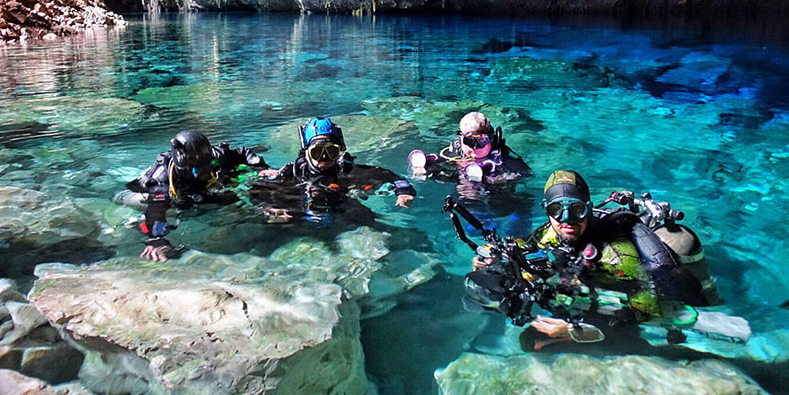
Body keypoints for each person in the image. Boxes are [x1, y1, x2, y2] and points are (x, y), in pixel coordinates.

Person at [468, 169, 712, 348]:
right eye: (556, 210)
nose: (567, 220)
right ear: (547, 210)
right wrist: (495, 257)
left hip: (618, 294)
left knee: (536, 344)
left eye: (576, 210)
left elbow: (647, 303)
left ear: (589, 207)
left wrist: (583, 331)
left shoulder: (616, 253)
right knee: (529, 340)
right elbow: (529, 247)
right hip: (583, 282)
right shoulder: (550, 231)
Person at [123, 130, 267, 261]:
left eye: (208, 166)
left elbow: (242, 153)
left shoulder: (214, 157)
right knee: (146, 204)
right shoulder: (161, 181)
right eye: (198, 171)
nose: (204, 173)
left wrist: (264, 169)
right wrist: (156, 239)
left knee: (230, 203)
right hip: (152, 194)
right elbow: (156, 211)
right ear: (184, 168)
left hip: (197, 193)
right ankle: (135, 222)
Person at [257, 117, 416, 221]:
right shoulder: (293, 172)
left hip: (341, 211)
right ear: (307, 152)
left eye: (331, 152)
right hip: (298, 214)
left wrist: (404, 191)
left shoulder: (345, 170)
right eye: (318, 152)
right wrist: (268, 207)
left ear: (338, 151)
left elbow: (388, 175)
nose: (324, 158)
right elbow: (258, 190)